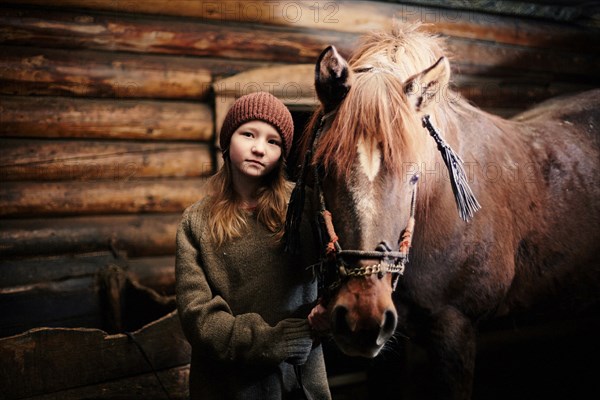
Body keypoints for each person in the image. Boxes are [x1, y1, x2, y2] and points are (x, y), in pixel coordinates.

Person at [175, 92, 331, 399]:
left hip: (300, 382)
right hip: (229, 386)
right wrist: (276, 340)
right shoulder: (196, 221)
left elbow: (338, 269)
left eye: (273, 141)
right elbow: (198, 318)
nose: (259, 148)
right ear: (227, 141)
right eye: (248, 134)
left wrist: (328, 310)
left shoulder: (305, 204)